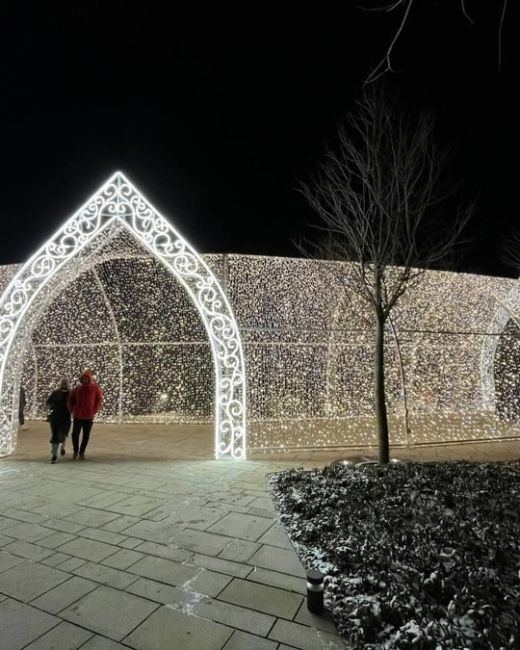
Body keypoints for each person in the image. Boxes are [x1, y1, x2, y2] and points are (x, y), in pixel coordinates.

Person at [68, 370, 103, 460]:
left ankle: (82, 452)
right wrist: (72, 410)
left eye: (85, 378)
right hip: (78, 416)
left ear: (89, 378)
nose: (84, 380)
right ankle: (76, 450)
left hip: (88, 416)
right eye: (82, 379)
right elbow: (71, 400)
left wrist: (94, 410)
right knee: (75, 434)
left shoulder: (95, 388)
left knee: (86, 434)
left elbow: (99, 399)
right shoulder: (78, 388)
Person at [47, 378, 71, 464]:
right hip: (56, 417)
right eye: (63, 383)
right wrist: (51, 408)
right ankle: (54, 454)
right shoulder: (56, 393)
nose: (64, 385)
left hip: (65, 417)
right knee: (56, 435)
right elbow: (48, 403)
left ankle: (60, 448)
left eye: (65, 383)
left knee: (63, 434)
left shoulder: (71, 393)